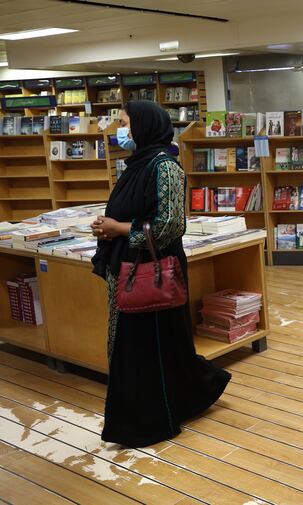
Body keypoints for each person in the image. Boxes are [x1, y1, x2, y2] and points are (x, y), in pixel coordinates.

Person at [91, 101, 231, 447]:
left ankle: (149, 419)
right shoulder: (135, 164)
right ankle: (172, 400)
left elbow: (170, 225)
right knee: (136, 344)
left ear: (143, 125)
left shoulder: (165, 167)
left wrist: (119, 228)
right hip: (128, 266)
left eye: (124, 122)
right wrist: (107, 228)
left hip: (150, 271)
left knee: (147, 345)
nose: (120, 130)